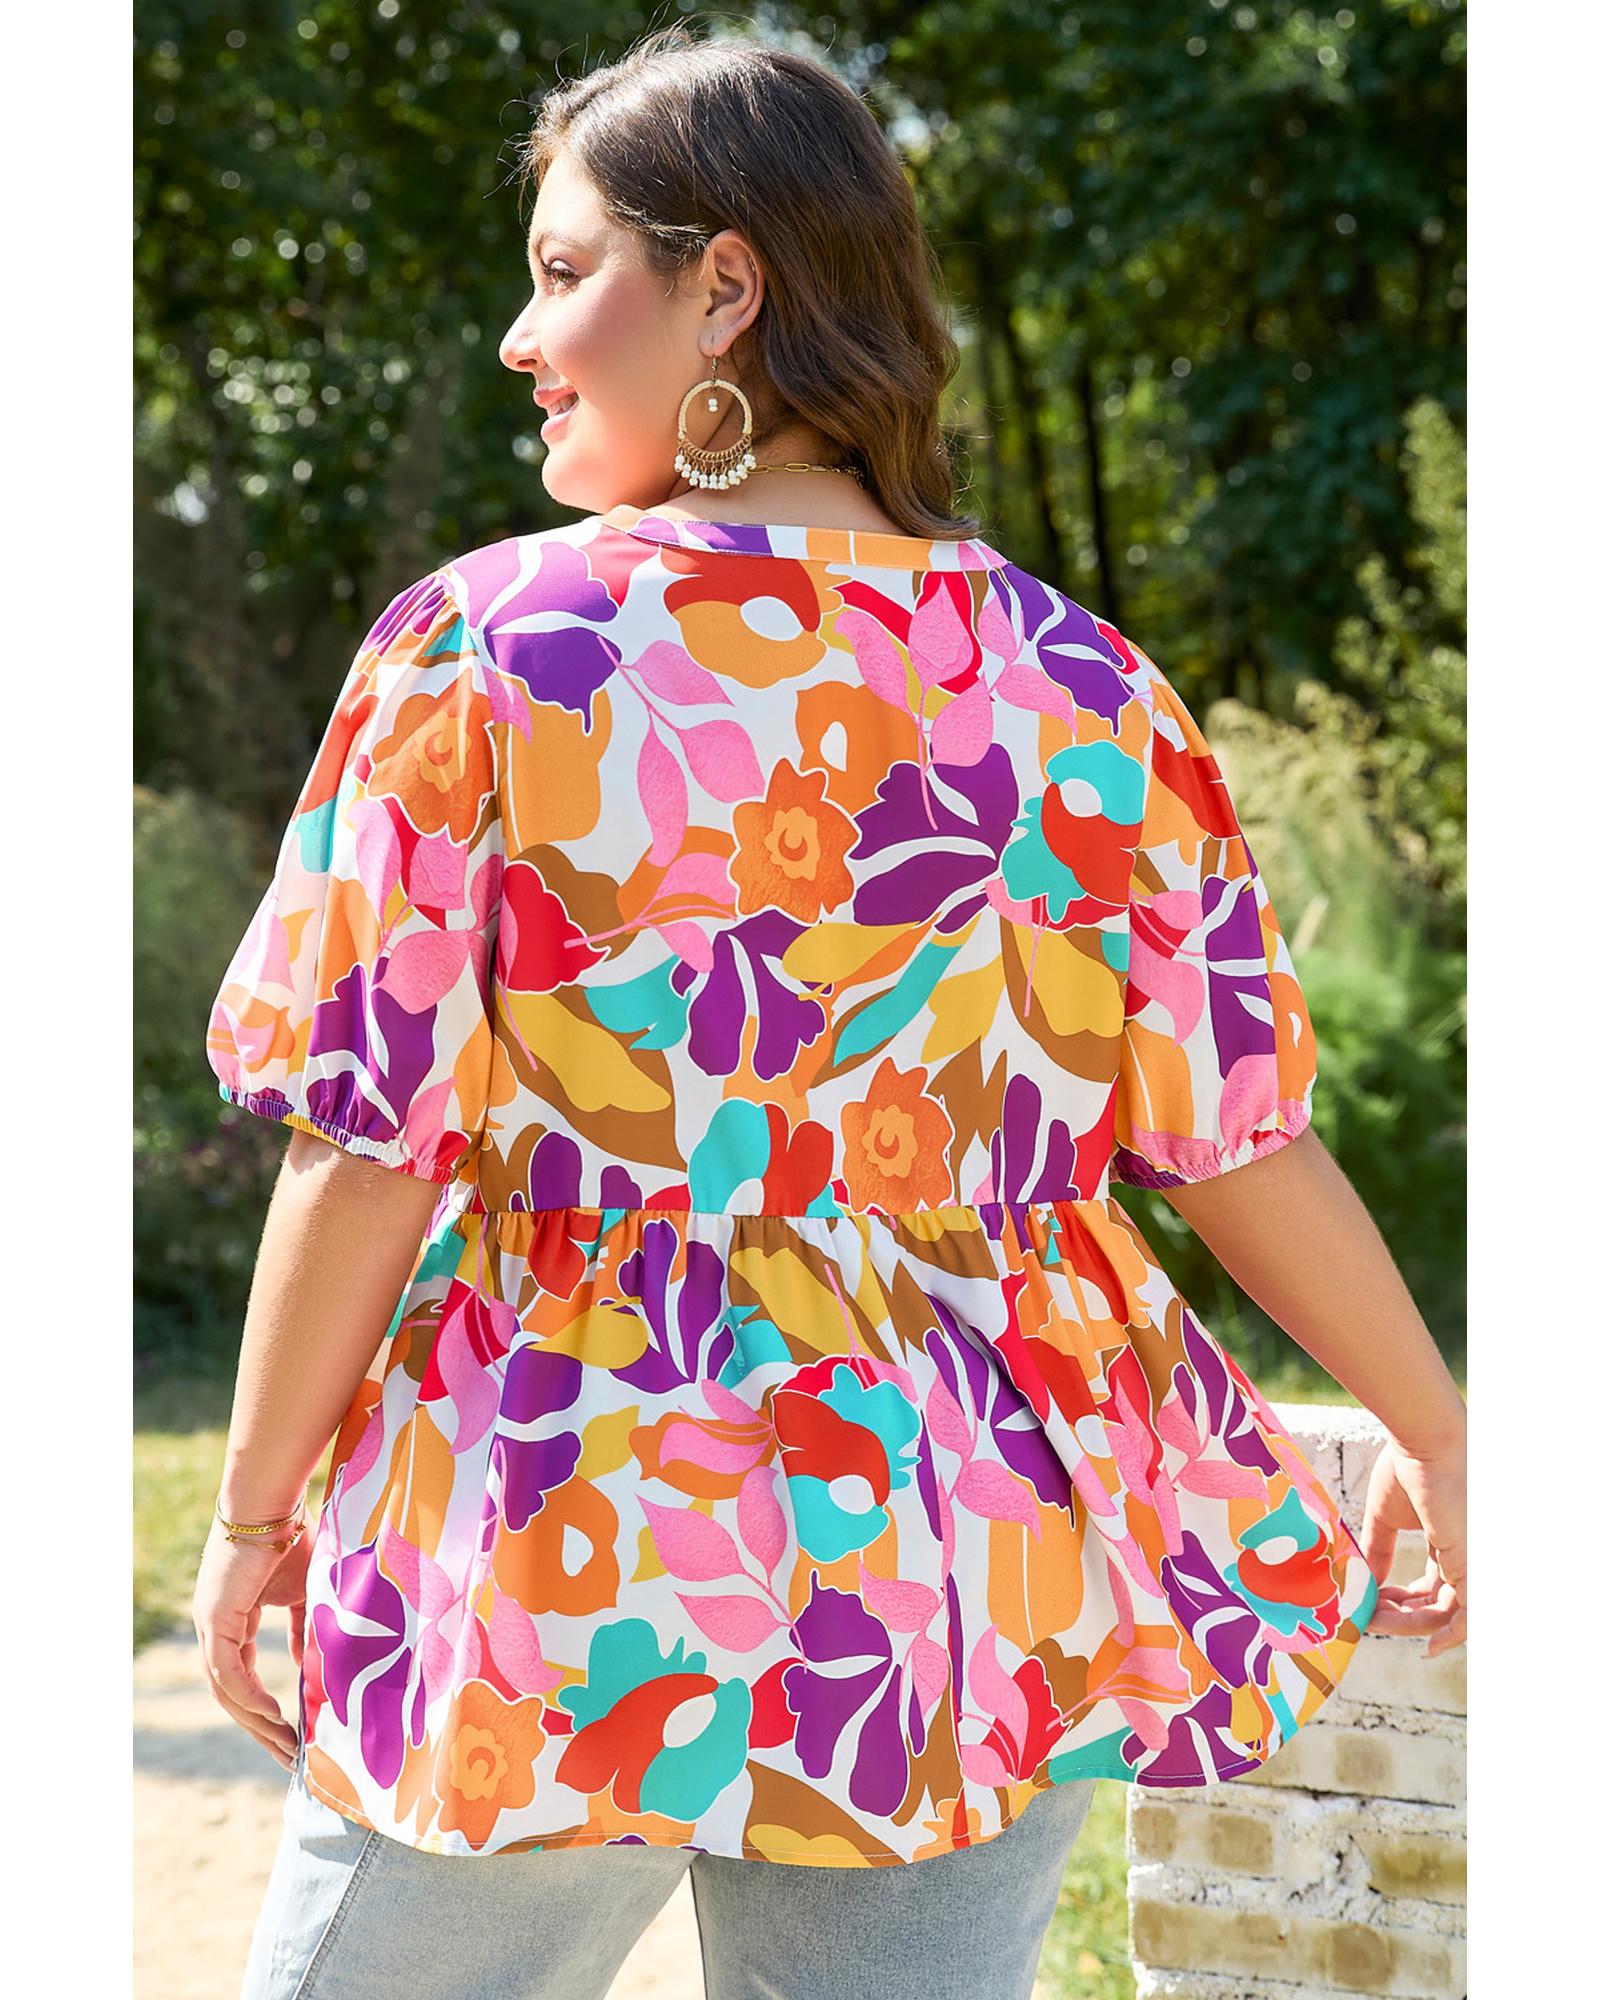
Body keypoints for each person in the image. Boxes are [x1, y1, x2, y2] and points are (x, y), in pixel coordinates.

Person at [191, 22, 1467, 2000]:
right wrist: (1438, 1429)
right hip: (959, 1555)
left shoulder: (486, 651)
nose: (519, 341)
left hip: (567, 1520)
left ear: (723, 286)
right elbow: (1234, 1136)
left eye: (561, 273)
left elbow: (366, 1147)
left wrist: (254, 1517)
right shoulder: (1077, 687)